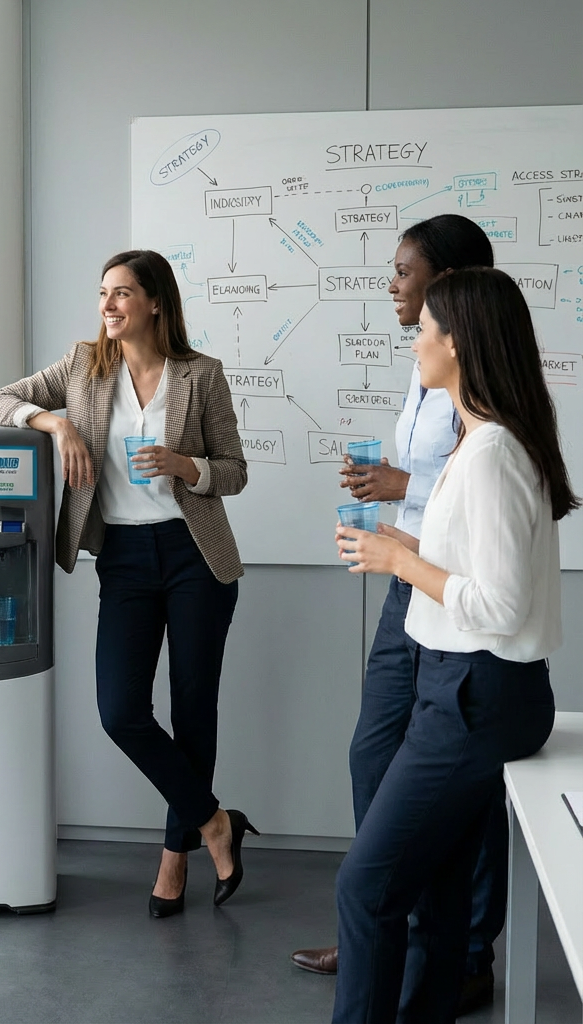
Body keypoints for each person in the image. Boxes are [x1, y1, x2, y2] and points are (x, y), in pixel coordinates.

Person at [0, 249, 255, 917]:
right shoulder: (83, 367)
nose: (107, 304)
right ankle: (214, 822)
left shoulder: (200, 374)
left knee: (193, 710)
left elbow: (234, 469)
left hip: (195, 555)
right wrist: (57, 423)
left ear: (155, 302)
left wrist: (184, 465)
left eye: (122, 293)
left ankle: (173, 859)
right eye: (103, 292)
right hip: (126, 558)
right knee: (121, 711)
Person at [331, 267, 569, 1023]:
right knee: (437, 894)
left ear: (457, 342)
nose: (415, 343)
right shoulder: (485, 441)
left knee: (365, 887)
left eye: (425, 330)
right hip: (471, 689)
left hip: (474, 694)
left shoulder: (492, 451)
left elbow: (500, 605)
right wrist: (407, 544)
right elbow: (480, 566)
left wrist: (401, 563)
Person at [292, 215, 505, 1014]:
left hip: (446, 586)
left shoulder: (480, 379)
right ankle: (380, 919)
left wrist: (401, 489)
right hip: (405, 580)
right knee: (375, 755)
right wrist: (390, 482)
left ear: (445, 283)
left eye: (404, 270)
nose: (391, 284)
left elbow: (478, 492)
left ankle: (463, 952)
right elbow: (433, 479)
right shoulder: (425, 367)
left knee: (461, 778)